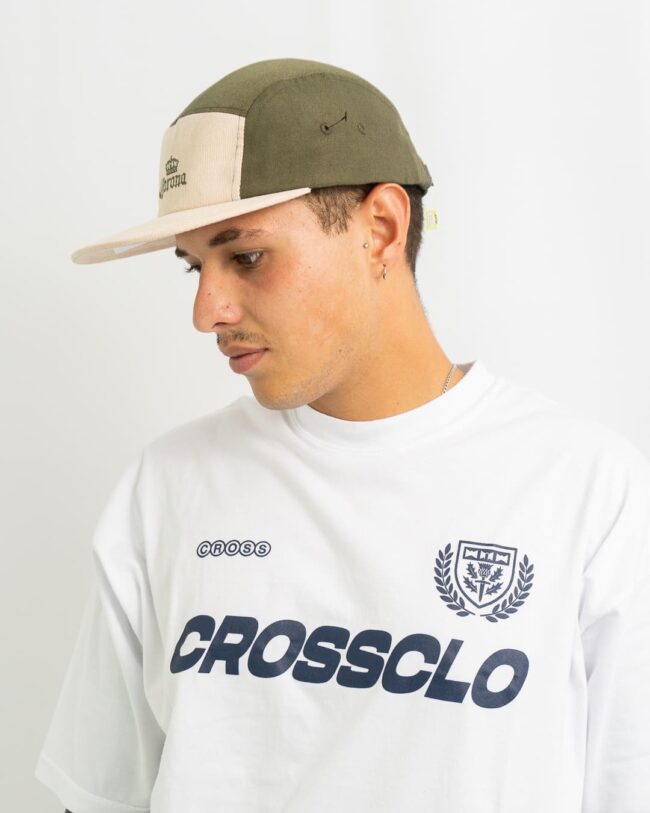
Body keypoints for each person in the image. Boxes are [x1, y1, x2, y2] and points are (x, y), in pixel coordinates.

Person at [35, 57, 649, 813]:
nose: (206, 312)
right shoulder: (168, 486)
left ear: (381, 229)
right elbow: (100, 795)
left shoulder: (589, 493)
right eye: (193, 267)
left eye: (246, 256)